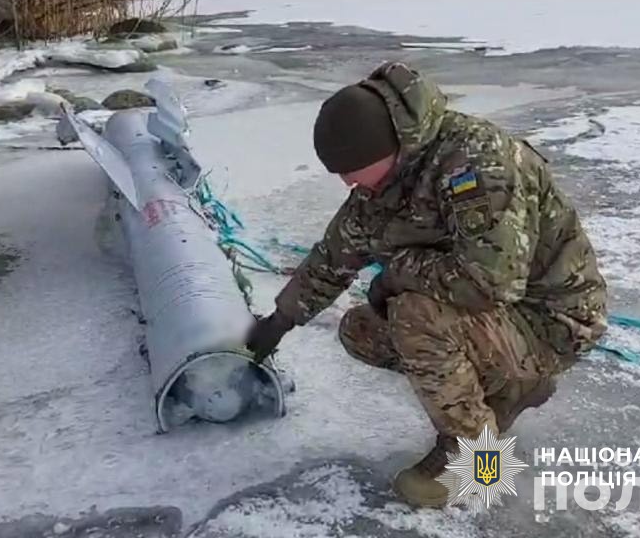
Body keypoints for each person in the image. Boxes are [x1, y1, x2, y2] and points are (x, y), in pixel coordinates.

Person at [244, 62, 608, 508]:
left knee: (416, 314)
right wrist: (280, 321)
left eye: (354, 169)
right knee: (363, 330)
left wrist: (398, 272)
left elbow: (490, 283)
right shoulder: (387, 179)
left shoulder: (476, 164)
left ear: (393, 146)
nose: (348, 183)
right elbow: (336, 253)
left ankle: (481, 462)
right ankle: (509, 389)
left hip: (550, 320)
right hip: (499, 319)